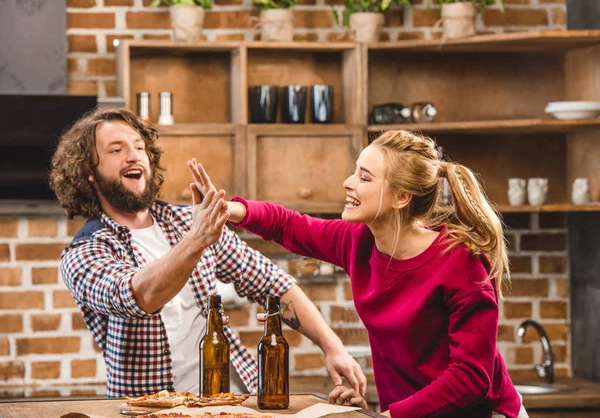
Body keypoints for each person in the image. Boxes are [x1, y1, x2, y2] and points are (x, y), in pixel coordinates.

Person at [189, 129, 529, 418]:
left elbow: (471, 377)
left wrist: (388, 415)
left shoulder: (459, 263)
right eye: (355, 171)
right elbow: (289, 225)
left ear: (401, 196)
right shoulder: (357, 241)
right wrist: (228, 209)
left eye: (364, 177)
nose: (348, 183)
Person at [49, 107, 366, 399]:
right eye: (116, 150)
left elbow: (270, 283)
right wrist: (197, 240)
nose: (134, 156)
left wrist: (331, 345)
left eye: (139, 146)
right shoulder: (84, 252)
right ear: (88, 171)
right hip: (154, 406)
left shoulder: (187, 220)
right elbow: (140, 296)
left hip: (237, 396)